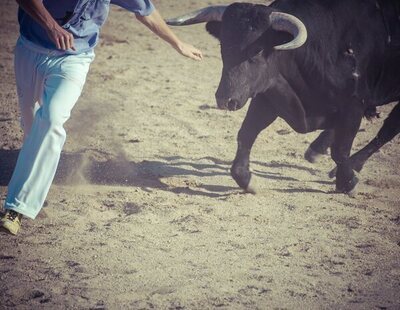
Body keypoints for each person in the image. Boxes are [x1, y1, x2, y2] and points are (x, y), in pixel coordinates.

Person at [0, 0, 203, 235]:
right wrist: (51, 26)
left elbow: (145, 11)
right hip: (30, 49)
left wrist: (177, 43)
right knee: (32, 125)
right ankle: (33, 185)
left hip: (74, 59)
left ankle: (17, 207)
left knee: (52, 120)